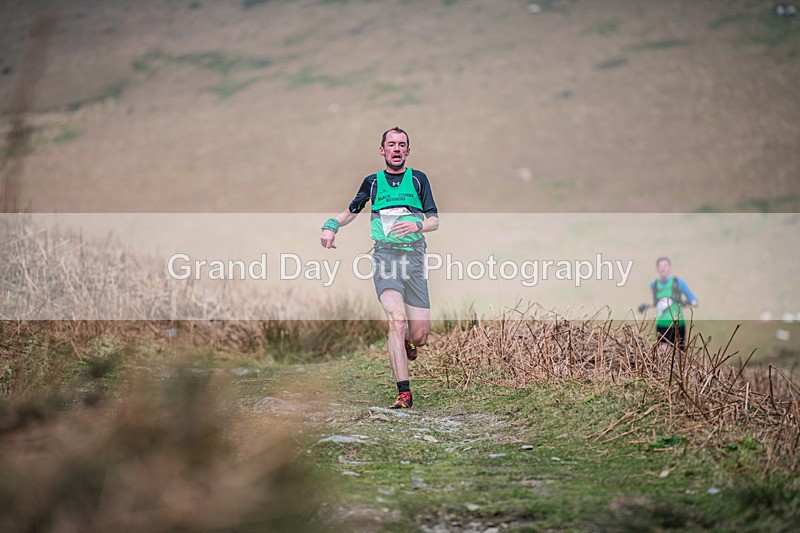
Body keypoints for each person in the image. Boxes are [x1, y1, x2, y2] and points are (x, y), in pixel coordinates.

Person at [320, 127, 439, 409]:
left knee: (420, 336)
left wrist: (418, 224)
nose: (396, 149)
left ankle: (409, 341)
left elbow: (435, 220)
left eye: (402, 145)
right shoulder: (372, 182)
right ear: (382, 150)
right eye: (391, 144)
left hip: (414, 258)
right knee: (396, 321)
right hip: (385, 258)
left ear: (408, 151)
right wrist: (330, 226)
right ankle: (404, 393)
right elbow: (351, 211)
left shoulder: (419, 180)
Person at [638, 256, 698, 351]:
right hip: (662, 324)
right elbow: (656, 302)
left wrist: (690, 302)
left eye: (665, 265)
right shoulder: (654, 284)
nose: (663, 268)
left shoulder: (678, 282)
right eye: (660, 266)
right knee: (662, 352)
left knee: (679, 353)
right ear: (657, 269)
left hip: (678, 324)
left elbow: (693, 299)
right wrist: (646, 307)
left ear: (669, 267)